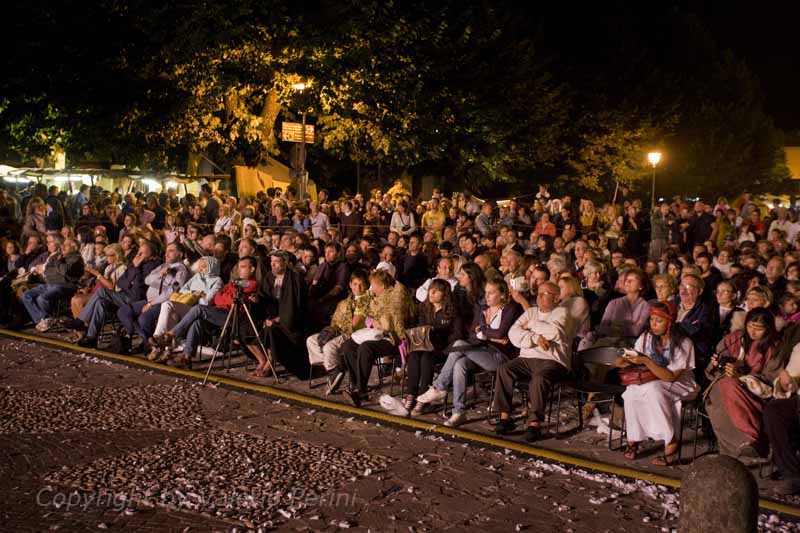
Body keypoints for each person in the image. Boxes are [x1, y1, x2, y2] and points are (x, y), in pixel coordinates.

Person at [415, 278, 523, 427]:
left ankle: (439, 387)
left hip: (500, 356)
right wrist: (488, 335)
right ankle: (459, 412)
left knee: (459, 344)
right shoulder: (483, 308)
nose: (487, 296)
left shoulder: (511, 309)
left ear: (503, 295)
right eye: (486, 292)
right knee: (460, 364)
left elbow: (500, 333)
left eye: (491, 293)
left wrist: (484, 332)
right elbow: (473, 333)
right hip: (479, 350)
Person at [618, 302, 698, 465]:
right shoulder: (646, 337)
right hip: (652, 380)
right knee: (631, 392)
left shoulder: (684, 343)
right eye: (652, 319)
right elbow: (634, 358)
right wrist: (624, 360)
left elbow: (670, 377)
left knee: (654, 390)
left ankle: (670, 440)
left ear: (670, 322)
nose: (653, 324)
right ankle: (634, 438)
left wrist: (646, 361)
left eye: (659, 321)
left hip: (681, 383)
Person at [493, 281, 569, 441]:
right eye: (538, 293)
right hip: (526, 358)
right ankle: (504, 417)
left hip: (552, 360)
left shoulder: (562, 313)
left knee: (539, 378)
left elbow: (554, 333)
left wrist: (531, 325)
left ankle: (534, 423)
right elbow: (513, 333)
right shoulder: (531, 311)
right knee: (504, 369)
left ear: (556, 298)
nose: (539, 297)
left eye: (545, 294)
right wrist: (534, 337)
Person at [153, 257, 258, 368]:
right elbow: (218, 298)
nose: (239, 270)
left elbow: (233, 300)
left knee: (199, 309)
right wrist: (226, 297)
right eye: (239, 267)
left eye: (243, 267)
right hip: (219, 311)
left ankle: (171, 335)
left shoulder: (251, 284)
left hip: (233, 316)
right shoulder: (233, 282)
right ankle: (186, 357)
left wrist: (225, 297)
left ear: (252, 269)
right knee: (197, 321)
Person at [704, 308, 780, 457]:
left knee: (729, 385)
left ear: (768, 329)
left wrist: (742, 375)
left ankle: (747, 441)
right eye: (750, 326)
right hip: (721, 387)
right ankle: (747, 443)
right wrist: (715, 365)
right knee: (726, 387)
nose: (753, 331)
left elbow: (771, 379)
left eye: (759, 329)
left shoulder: (773, 348)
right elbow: (713, 370)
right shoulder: (733, 339)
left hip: (754, 393)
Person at [340, 270, 414, 407]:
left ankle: (359, 391)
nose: (371, 288)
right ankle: (358, 386)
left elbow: (395, 324)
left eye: (373, 285)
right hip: (376, 334)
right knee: (348, 346)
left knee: (366, 348)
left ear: (383, 286)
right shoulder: (375, 297)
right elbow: (368, 315)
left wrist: (383, 324)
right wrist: (373, 322)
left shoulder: (397, 297)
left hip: (394, 339)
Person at [405, 279, 464, 414]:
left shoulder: (452, 311)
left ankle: (423, 398)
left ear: (445, 294)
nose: (431, 293)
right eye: (430, 289)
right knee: (414, 354)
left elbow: (458, 333)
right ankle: (411, 394)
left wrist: (440, 336)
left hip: (443, 348)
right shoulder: (425, 308)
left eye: (436, 291)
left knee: (427, 357)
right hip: (425, 345)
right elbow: (419, 327)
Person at [147, 256, 223, 361]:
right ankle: (166, 348)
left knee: (168, 305)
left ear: (211, 267)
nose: (201, 269)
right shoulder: (197, 276)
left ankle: (158, 340)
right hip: (186, 304)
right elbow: (182, 290)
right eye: (200, 267)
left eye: (204, 267)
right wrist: (194, 293)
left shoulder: (217, 281)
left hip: (196, 310)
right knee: (169, 311)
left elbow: (206, 302)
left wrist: (198, 297)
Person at [307, 269, 372, 392]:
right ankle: (332, 370)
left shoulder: (365, 301)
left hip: (354, 334)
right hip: (338, 330)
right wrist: (332, 330)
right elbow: (335, 320)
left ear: (366, 285)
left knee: (329, 347)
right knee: (312, 341)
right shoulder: (345, 301)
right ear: (350, 284)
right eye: (355, 284)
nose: (357, 287)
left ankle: (335, 371)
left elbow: (355, 322)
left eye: (361, 284)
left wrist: (340, 326)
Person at [251, 251, 308, 378]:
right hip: (271, 315)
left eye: (276, 262)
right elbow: (264, 297)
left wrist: (277, 319)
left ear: (285, 263)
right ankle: (263, 359)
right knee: (246, 327)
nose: (273, 265)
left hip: (291, 319)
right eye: (271, 262)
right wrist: (257, 300)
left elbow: (295, 306)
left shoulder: (295, 279)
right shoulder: (269, 277)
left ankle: (270, 362)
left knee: (271, 329)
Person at [22, 237, 85, 332]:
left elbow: (64, 271)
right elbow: (47, 271)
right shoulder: (58, 256)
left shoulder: (76, 258)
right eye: (63, 244)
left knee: (42, 298)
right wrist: (56, 269)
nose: (62, 246)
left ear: (73, 248)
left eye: (66, 245)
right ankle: (43, 319)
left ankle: (46, 321)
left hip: (66, 285)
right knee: (26, 295)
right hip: (50, 284)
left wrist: (58, 264)